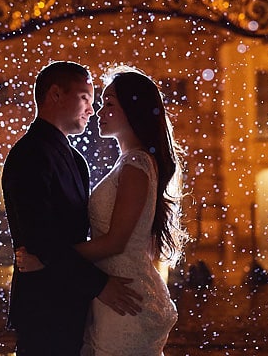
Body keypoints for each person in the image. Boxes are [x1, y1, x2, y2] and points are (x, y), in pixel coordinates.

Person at [16, 65, 187, 355]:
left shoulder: (136, 165)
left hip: (121, 291)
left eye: (109, 104)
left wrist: (47, 259)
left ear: (133, 111)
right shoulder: (127, 163)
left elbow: (116, 241)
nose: (98, 111)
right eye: (98, 103)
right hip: (108, 291)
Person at [1, 61, 143, 355]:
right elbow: (40, 236)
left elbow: (73, 235)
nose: (92, 110)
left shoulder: (75, 159)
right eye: (85, 98)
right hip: (43, 306)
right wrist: (100, 285)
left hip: (73, 301)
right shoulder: (29, 154)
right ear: (55, 94)